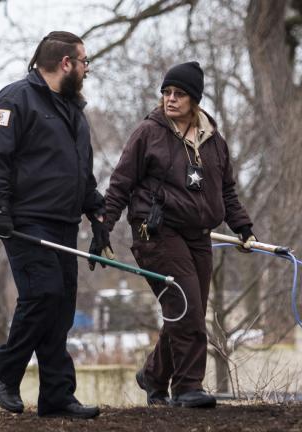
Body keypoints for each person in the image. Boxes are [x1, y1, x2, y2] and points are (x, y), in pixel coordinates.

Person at [104, 61, 256, 408]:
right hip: (156, 233)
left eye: (179, 94)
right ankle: (188, 387)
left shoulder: (214, 141)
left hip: (199, 236)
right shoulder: (149, 133)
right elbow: (121, 182)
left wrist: (243, 226)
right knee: (185, 305)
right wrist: (104, 226)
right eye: (166, 93)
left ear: (195, 100)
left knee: (187, 311)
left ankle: (154, 376)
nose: (170, 99)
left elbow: (227, 191)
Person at [0, 31, 111, 419]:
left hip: (64, 224)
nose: (87, 70)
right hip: (25, 222)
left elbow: (81, 174)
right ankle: (5, 368)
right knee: (44, 295)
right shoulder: (15, 99)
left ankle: (56, 396)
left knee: (62, 309)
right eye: (85, 62)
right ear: (66, 63)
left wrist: (96, 213)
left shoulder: (74, 111)